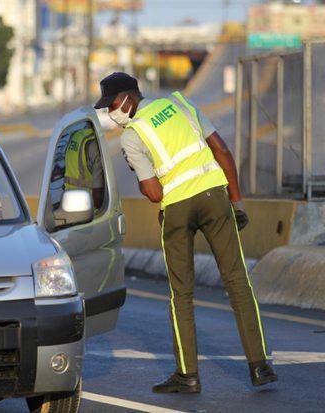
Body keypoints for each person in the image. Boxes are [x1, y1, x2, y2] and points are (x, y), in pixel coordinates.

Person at [94, 72, 277, 393]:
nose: (111, 113)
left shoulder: (132, 136)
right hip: (214, 196)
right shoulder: (180, 103)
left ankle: (188, 376)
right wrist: (237, 200)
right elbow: (221, 150)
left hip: (178, 207)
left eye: (111, 105)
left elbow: (152, 193)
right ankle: (259, 366)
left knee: (182, 294)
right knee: (237, 280)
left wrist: (140, 174)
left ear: (127, 98)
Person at [64, 127, 105, 209]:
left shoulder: (76, 136)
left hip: (68, 203)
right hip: (87, 208)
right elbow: (97, 197)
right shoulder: (94, 145)